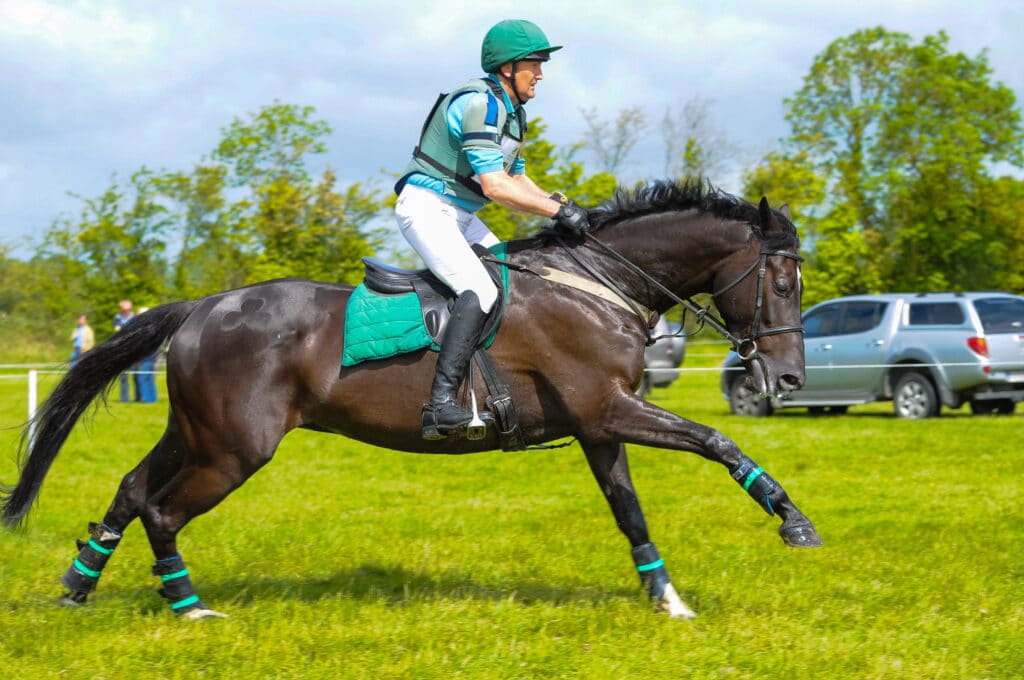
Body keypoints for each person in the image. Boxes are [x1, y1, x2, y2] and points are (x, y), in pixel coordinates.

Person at [394, 19, 590, 440]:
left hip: (459, 214)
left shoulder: (512, 113)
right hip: (428, 207)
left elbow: (518, 178)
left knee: (512, 282)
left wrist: (560, 204)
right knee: (480, 291)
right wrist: (555, 214)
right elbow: (494, 185)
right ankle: (440, 405)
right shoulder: (481, 103)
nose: (541, 73)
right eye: (534, 63)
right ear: (507, 67)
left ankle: (494, 385)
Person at [133, 307, 159, 403]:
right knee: (149, 379)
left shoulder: (146, 328)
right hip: (152, 357)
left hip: (147, 357)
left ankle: (148, 400)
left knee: (143, 378)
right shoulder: (153, 326)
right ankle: (153, 399)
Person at [113, 299, 135, 402]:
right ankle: (124, 398)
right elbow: (117, 331)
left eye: (127, 309)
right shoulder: (118, 317)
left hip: (135, 348)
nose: (125, 311)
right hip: (122, 348)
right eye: (124, 309)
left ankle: (138, 398)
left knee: (137, 375)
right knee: (123, 376)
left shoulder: (135, 317)